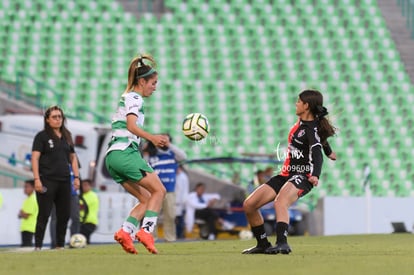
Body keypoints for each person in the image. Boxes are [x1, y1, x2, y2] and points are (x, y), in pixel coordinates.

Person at [242, 89, 336, 255]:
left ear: (306, 106)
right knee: (249, 205)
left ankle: (282, 243)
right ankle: (263, 244)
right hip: (286, 174)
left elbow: (316, 154)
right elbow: (321, 139)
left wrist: (316, 174)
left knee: (281, 202)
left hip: (303, 176)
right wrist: (329, 150)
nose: (296, 103)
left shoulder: (309, 129)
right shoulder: (304, 123)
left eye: (299, 101)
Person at [105, 53, 167, 255]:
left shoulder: (129, 98)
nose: (155, 87)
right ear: (142, 81)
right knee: (160, 191)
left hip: (113, 157)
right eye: (153, 83)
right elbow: (131, 126)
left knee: (147, 198)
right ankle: (147, 232)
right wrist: (152, 137)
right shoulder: (134, 97)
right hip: (125, 153)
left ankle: (125, 231)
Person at [31, 105, 80, 250]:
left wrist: (76, 177)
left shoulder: (67, 135)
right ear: (47, 119)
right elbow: (35, 159)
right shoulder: (41, 136)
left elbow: (73, 158)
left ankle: (59, 245)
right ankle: (38, 246)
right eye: (54, 117)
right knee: (44, 215)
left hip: (65, 180)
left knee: (63, 215)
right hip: (47, 180)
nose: (58, 120)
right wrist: (36, 179)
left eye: (60, 117)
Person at [143, 134, 187, 242]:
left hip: (169, 190)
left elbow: (184, 156)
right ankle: (151, 238)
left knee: (170, 216)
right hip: (155, 191)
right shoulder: (152, 154)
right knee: (152, 216)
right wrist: (146, 149)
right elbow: (144, 166)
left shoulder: (172, 154)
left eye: (165, 139)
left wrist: (169, 145)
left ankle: (170, 238)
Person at [18, 179, 39, 247]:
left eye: (27, 187)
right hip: (26, 228)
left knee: (26, 247)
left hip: (29, 228)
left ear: (33, 188)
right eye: (24, 187)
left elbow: (26, 215)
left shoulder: (32, 199)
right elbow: (21, 214)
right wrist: (21, 213)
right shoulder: (28, 199)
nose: (25, 189)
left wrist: (22, 213)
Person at [79, 179, 99, 244]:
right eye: (82, 185)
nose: (83, 187)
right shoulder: (82, 195)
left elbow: (82, 206)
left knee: (83, 238)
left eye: (86, 185)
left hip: (89, 222)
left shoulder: (92, 195)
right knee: (84, 239)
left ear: (90, 186)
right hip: (82, 221)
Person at [175, 164, 190, 239]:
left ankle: (180, 235)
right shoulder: (176, 176)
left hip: (181, 202)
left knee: (180, 220)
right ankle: (178, 235)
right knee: (176, 220)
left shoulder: (183, 177)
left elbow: (184, 190)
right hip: (176, 202)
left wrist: (183, 201)